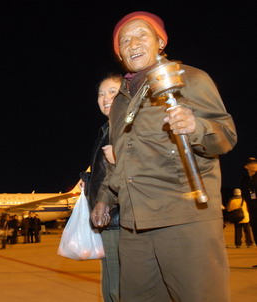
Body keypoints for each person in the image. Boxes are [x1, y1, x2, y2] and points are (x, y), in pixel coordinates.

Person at [91, 11, 237, 302]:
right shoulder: (120, 102)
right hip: (135, 227)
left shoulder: (190, 79)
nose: (132, 43)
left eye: (141, 35)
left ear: (160, 41)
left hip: (184, 220)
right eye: (124, 40)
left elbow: (226, 135)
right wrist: (105, 199)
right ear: (118, 52)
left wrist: (197, 126)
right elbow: (122, 160)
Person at [80, 73, 122, 302]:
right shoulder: (107, 129)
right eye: (101, 93)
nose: (105, 98)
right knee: (109, 285)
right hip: (108, 219)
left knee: (118, 285)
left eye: (113, 92)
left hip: (119, 218)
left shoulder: (126, 128)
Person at [240, 156, 257, 245]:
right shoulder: (244, 180)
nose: (254, 165)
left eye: (255, 163)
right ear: (246, 167)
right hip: (252, 210)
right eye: (251, 164)